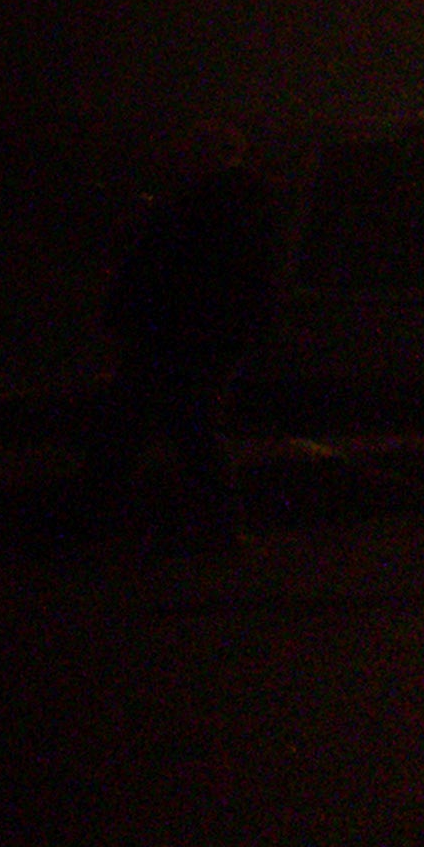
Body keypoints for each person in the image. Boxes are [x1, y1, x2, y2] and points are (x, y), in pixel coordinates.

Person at [77, 133, 283, 553]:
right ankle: (215, 527)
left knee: (159, 423)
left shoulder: (207, 207)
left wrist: (128, 315)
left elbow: (163, 268)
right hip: (190, 330)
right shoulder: (225, 205)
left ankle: (101, 525)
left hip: (182, 330)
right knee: (175, 425)